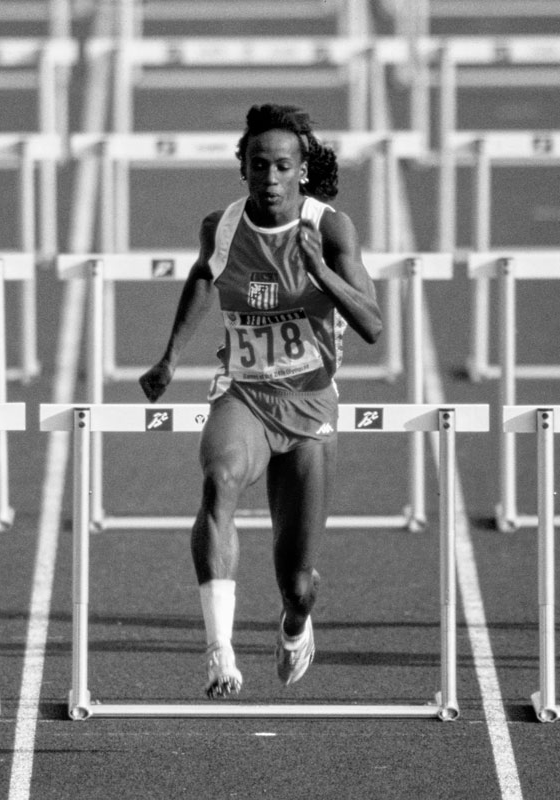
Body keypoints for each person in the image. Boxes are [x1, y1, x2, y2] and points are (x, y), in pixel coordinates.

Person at [139, 104, 383, 697]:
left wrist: (320, 272)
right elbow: (203, 275)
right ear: (242, 169)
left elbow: (373, 325)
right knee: (219, 481)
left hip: (308, 406)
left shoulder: (331, 228)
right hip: (244, 394)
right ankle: (219, 650)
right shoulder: (220, 227)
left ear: (301, 171)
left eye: (280, 166)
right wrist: (170, 355)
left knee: (296, 581)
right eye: (257, 165)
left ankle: (296, 625)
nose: (268, 177)